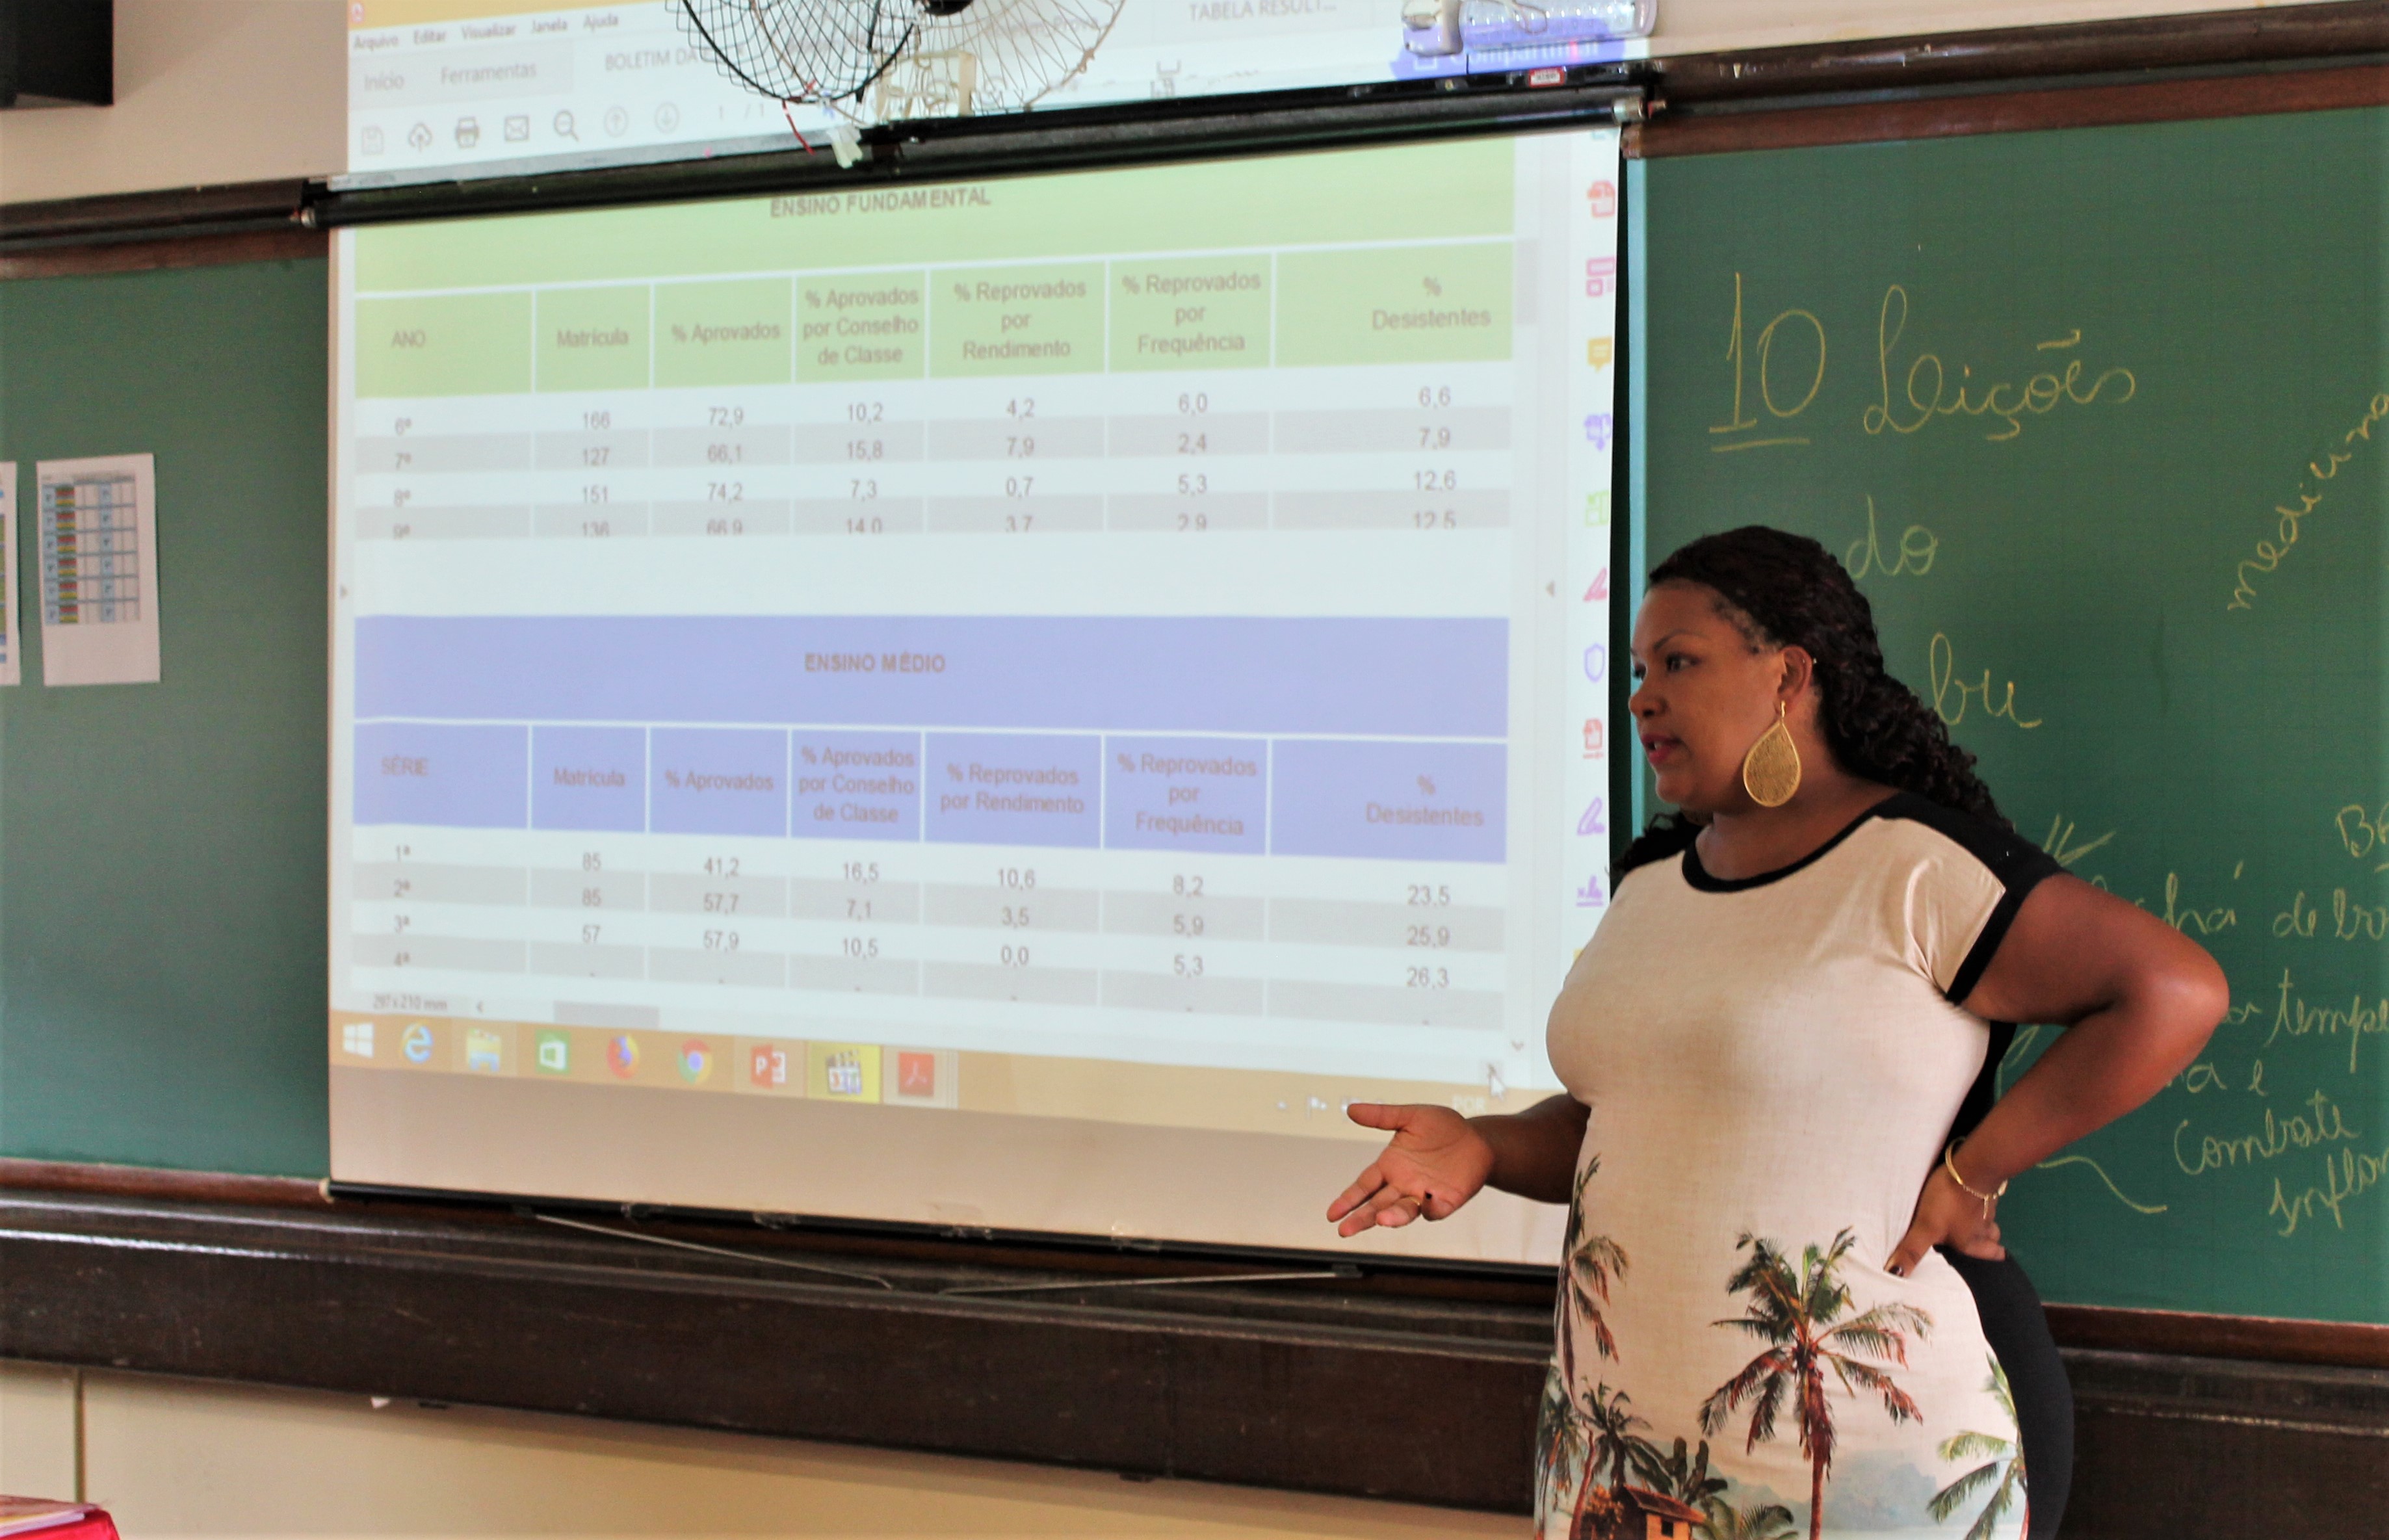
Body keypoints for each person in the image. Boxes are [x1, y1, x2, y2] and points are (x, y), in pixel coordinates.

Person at [1327, 527, 2225, 1540]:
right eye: (1638, 670)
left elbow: (2172, 991)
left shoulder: (1914, 866)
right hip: (1623, 1453)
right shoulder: (1651, 884)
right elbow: (1628, 1125)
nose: (1642, 698)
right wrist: (1485, 1145)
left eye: (1679, 662)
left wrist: (1973, 1172)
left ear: (1790, 675)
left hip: (1875, 1459)